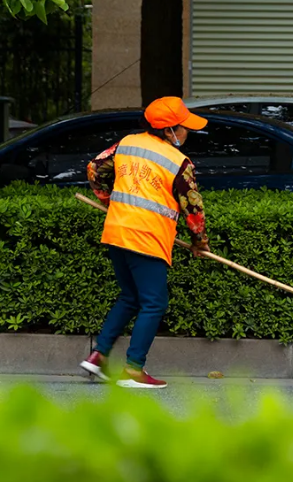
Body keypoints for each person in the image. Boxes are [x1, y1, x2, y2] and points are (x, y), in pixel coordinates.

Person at [79, 97, 211, 389]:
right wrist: (200, 241)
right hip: (146, 238)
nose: (188, 131)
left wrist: (106, 197)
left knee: (130, 297)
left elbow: (95, 168)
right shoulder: (179, 162)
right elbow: (192, 206)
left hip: (116, 230)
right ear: (169, 131)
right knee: (154, 303)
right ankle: (134, 370)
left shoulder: (126, 143)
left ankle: (98, 357)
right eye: (184, 126)